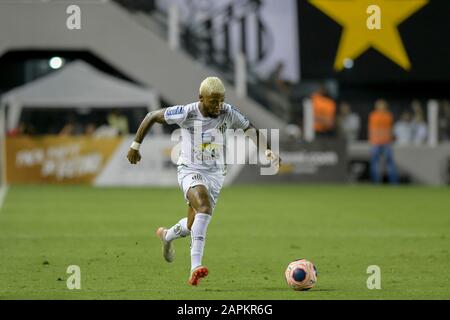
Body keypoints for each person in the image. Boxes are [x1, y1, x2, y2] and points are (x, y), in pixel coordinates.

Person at [127, 77, 280, 286]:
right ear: (201, 98)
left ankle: (167, 236)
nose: (218, 106)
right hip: (190, 169)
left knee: (192, 225)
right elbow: (151, 116)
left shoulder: (228, 111)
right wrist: (135, 146)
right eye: (213, 101)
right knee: (204, 208)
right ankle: (195, 267)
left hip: (216, 175)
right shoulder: (187, 112)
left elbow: (250, 129)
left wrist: (268, 151)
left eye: (220, 100)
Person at [368, 99, 398, 184]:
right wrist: (372, 141)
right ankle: (375, 182)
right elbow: (372, 130)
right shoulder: (373, 115)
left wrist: (389, 140)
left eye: (382, 105)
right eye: (379, 105)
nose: (381, 107)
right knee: (374, 163)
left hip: (386, 143)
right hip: (376, 143)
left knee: (390, 163)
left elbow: (389, 130)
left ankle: (394, 182)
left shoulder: (388, 115)